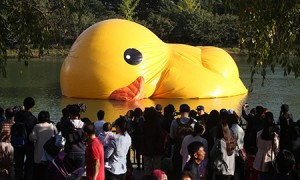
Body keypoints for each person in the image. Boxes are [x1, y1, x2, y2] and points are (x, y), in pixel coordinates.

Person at [13, 97, 38, 180]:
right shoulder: (33, 118)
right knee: (29, 165)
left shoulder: (17, 116)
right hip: (29, 144)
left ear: (24, 104)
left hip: (18, 142)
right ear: (33, 106)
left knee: (18, 165)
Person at [170, 104, 195, 180]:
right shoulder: (194, 122)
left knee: (178, 170)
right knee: (190, 169)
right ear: (189, 111)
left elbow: (172, 136)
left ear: (180, 111)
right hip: (191, 149)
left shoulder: (174, 122)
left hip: (178, 149)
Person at [29, 111, 57, 180]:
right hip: (50, 155)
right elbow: (56, 137)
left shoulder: (37, 126)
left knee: (38, 174)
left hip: (39, 156)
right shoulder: (52, 126)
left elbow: (32, 138)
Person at [253, 111, 279, 179]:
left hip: (259, 157)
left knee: (261, 176)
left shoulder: (259, 134)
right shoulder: (274, 136)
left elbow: (257, 145)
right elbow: (276, 148)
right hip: (270, 158)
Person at [142, 107, 168, 175]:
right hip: (157, 149)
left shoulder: (143, 125)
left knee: (147, 167)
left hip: (147, 149)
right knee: (157, 167)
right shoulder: (158, 125)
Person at [61, 104, 86, 173]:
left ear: (70, 113)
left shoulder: (66, 124)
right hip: (81, 152)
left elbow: (63, 135)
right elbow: (85, 138)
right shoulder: (84, 125)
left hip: (69, 152)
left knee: (69, 174)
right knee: (80, 175)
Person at [227, 111, 245, 180]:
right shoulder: (240, 129)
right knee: (240, 173)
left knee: (232, 173)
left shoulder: (231, 130)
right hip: (240, 152)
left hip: (234, 154)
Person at [0, 107, 15, 179]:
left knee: (2, 165)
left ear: (5, 115)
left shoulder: (1, 124)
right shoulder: (14, 124)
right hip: (11, 146)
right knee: (11, 165)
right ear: (13, 115)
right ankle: (12, 177)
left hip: (1, 145)